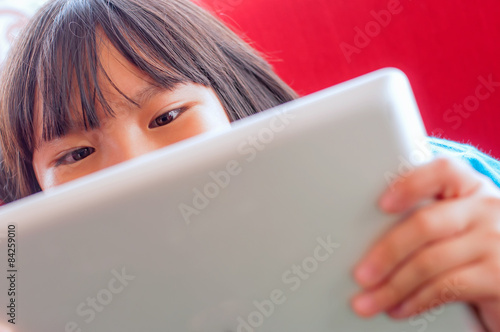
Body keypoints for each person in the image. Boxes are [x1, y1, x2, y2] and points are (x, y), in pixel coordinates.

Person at [0, 0, 500, 331]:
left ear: (237, 100)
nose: (133, 165)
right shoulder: (46, 301)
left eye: (169, 116)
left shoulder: (423, 180)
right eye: (76, 155)